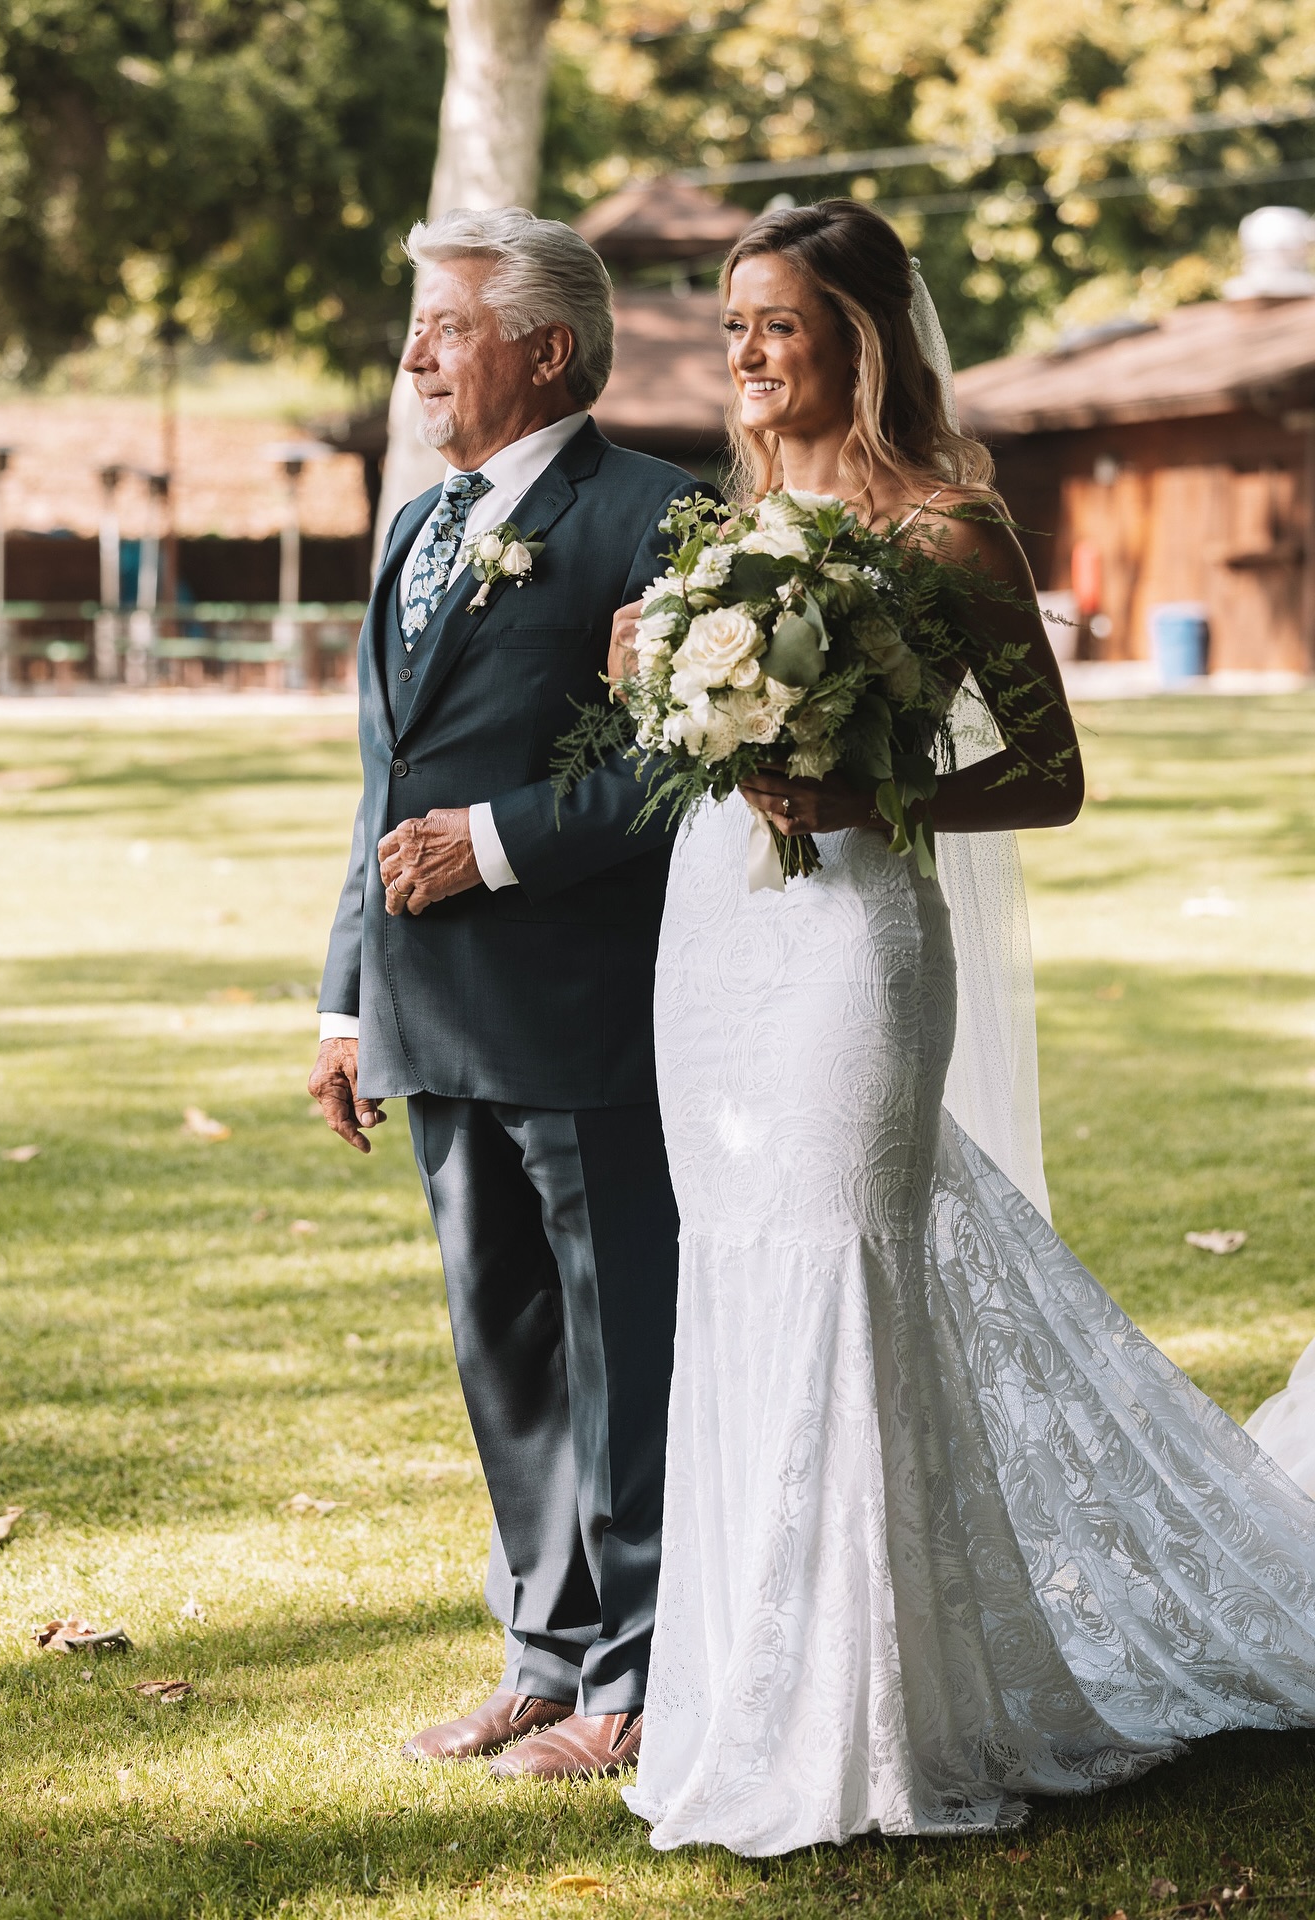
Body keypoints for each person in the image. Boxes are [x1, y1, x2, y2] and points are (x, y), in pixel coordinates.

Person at [615, 199, 1315, 1856]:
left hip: (856, 943)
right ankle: (746, 1694)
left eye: (779, 325)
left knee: (847, 1269)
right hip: (718, 935)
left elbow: (1049, 774)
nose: (747, 357)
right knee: (735, 1272)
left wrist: (876, 788)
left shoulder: (946, 526)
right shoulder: (734, 525)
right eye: (734, 328)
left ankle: (870, 1722)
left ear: (858, 337)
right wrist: (652, 663)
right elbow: (686, 743)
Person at [309, 207, 715, 1782]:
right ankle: (542, 1655)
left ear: (546, 350)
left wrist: (493, 845)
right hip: (432, 1009)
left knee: (625, 1345)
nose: (416, 351)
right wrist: (345, 1004)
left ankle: (638, 1670)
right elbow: (378, 786)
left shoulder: (661, 520)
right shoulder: (418, 527)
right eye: (417, 325)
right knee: (505, 1350)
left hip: (587, 1006)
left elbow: (687, 765)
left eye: (449, 326)